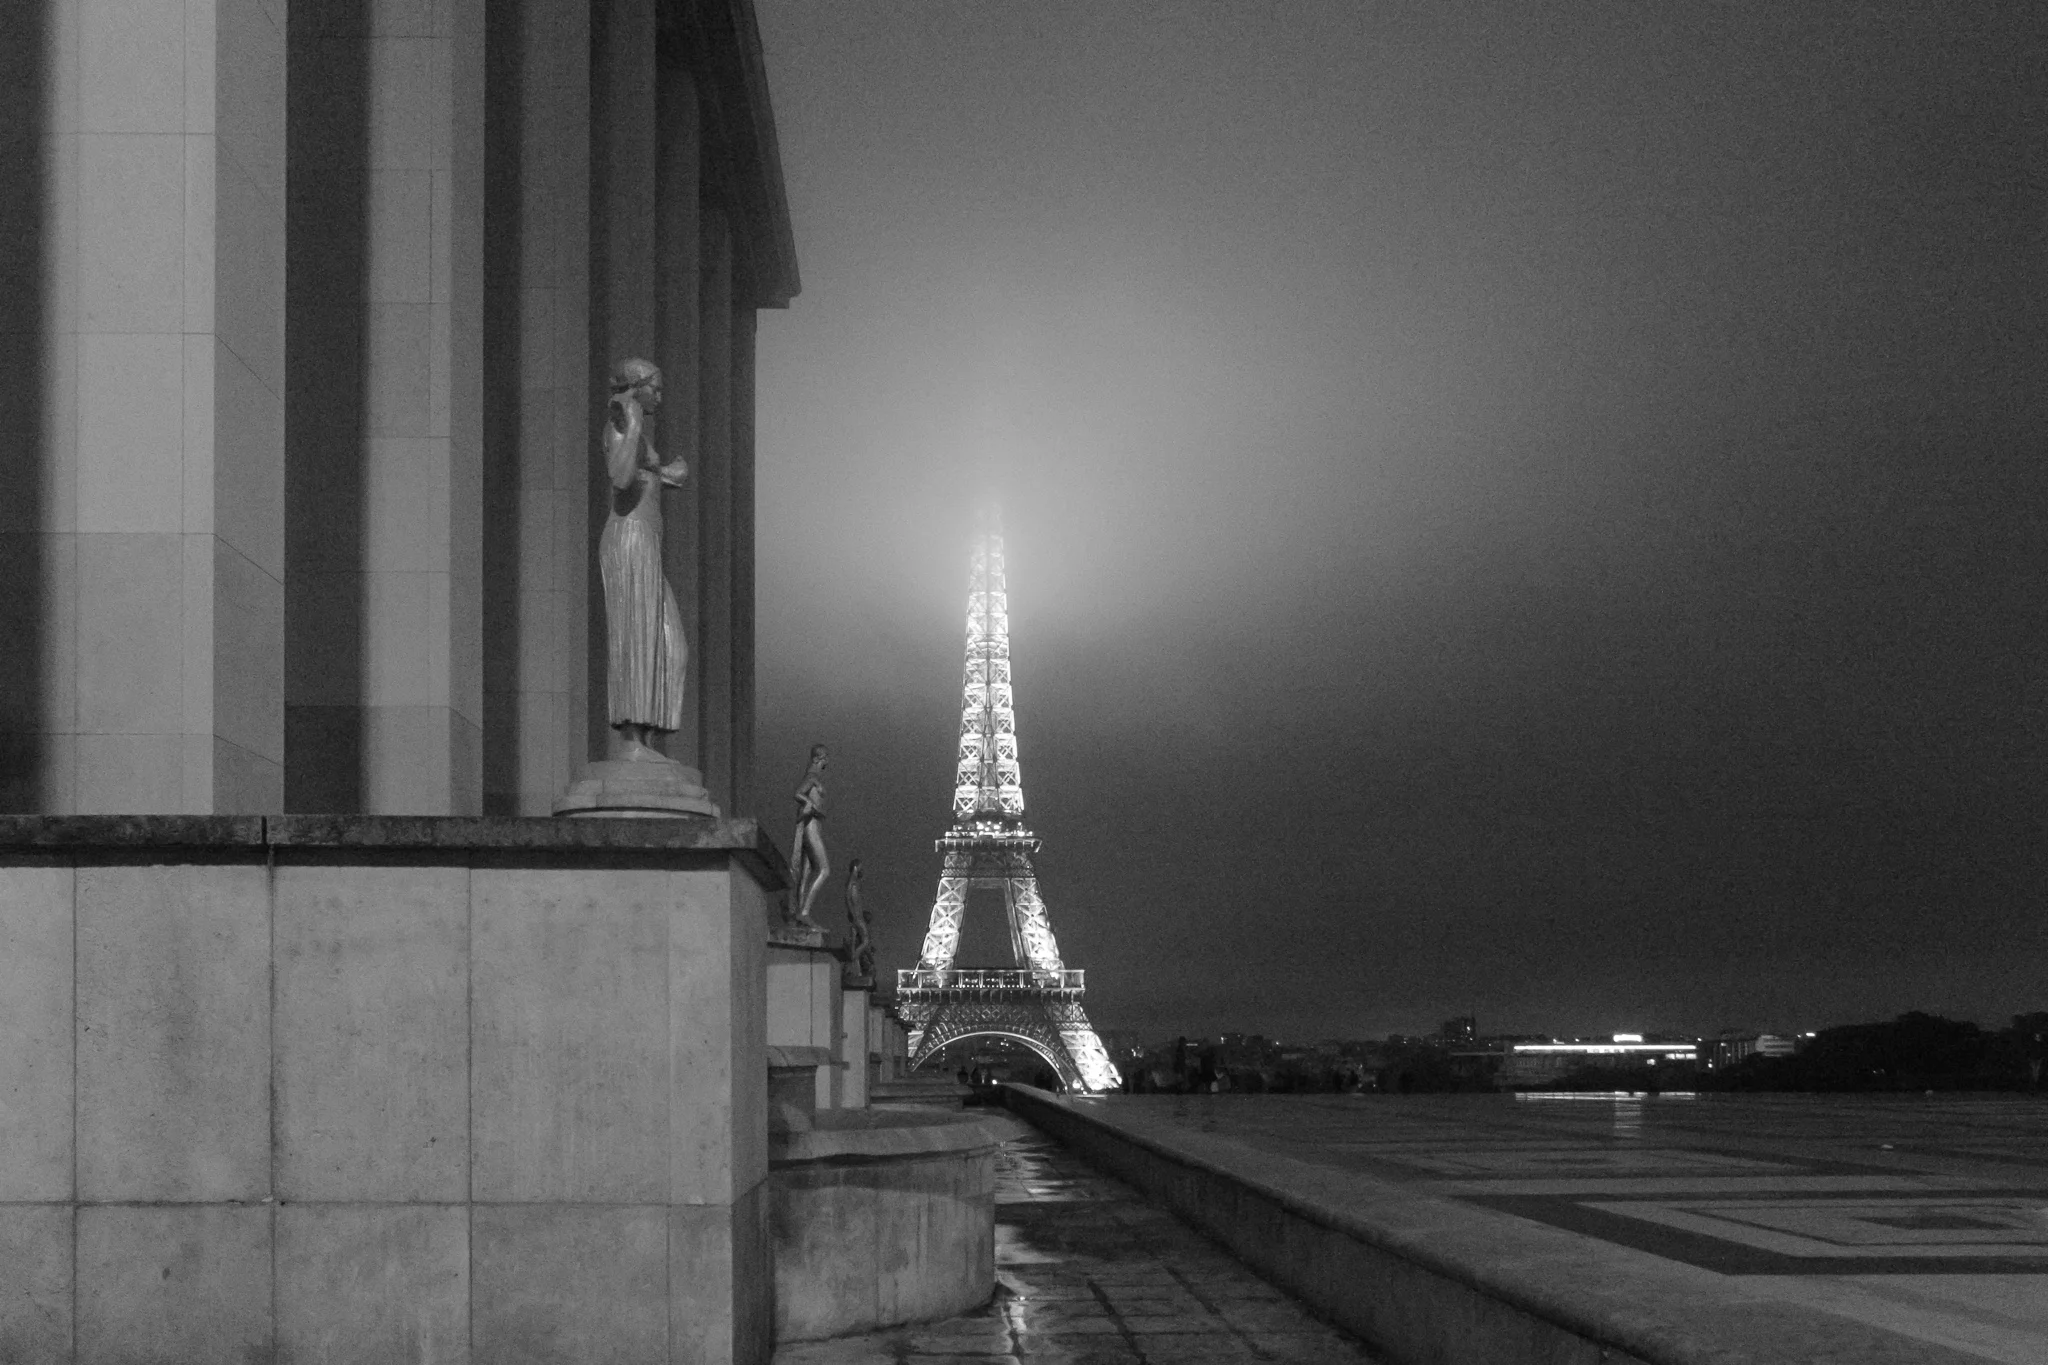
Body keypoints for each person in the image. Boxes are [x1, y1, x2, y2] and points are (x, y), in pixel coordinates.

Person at [598, 358, 690, 759]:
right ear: (639, 386)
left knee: (673, 646)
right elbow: (619, 476)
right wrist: (633, 423)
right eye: (656, 387)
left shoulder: (636, 428)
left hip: (647, 541)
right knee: (637, 634)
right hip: (630, 538)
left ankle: (647, 737)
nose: (660, 396)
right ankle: (633, 741)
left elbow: (648, 475)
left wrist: (671, 472)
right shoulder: (620, 421)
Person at [788, 745, 829, 925]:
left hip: (812, 825)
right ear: (818, 759)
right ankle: (804, 912)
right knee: (824, 870)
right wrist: (812, 806)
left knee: (806, 873)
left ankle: (799, 912)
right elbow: (797, 793)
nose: (826, 762)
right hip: (811, 826)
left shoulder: (814, 777)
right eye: (825, 758)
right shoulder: (812, 777)